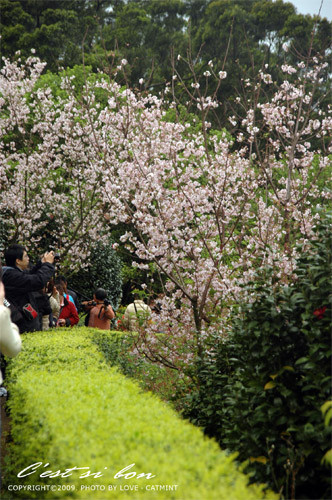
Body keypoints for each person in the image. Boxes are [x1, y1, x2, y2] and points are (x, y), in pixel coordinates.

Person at [2, 244, 55, 333]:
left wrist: (41, 263)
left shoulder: (9, 272)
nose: (28, 258)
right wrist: (48, 264)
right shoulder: (11, 276)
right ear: (18, 261)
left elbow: (29, 275)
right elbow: (37, 281)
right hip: (21, 324)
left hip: (21, 321)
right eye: (26, 256)